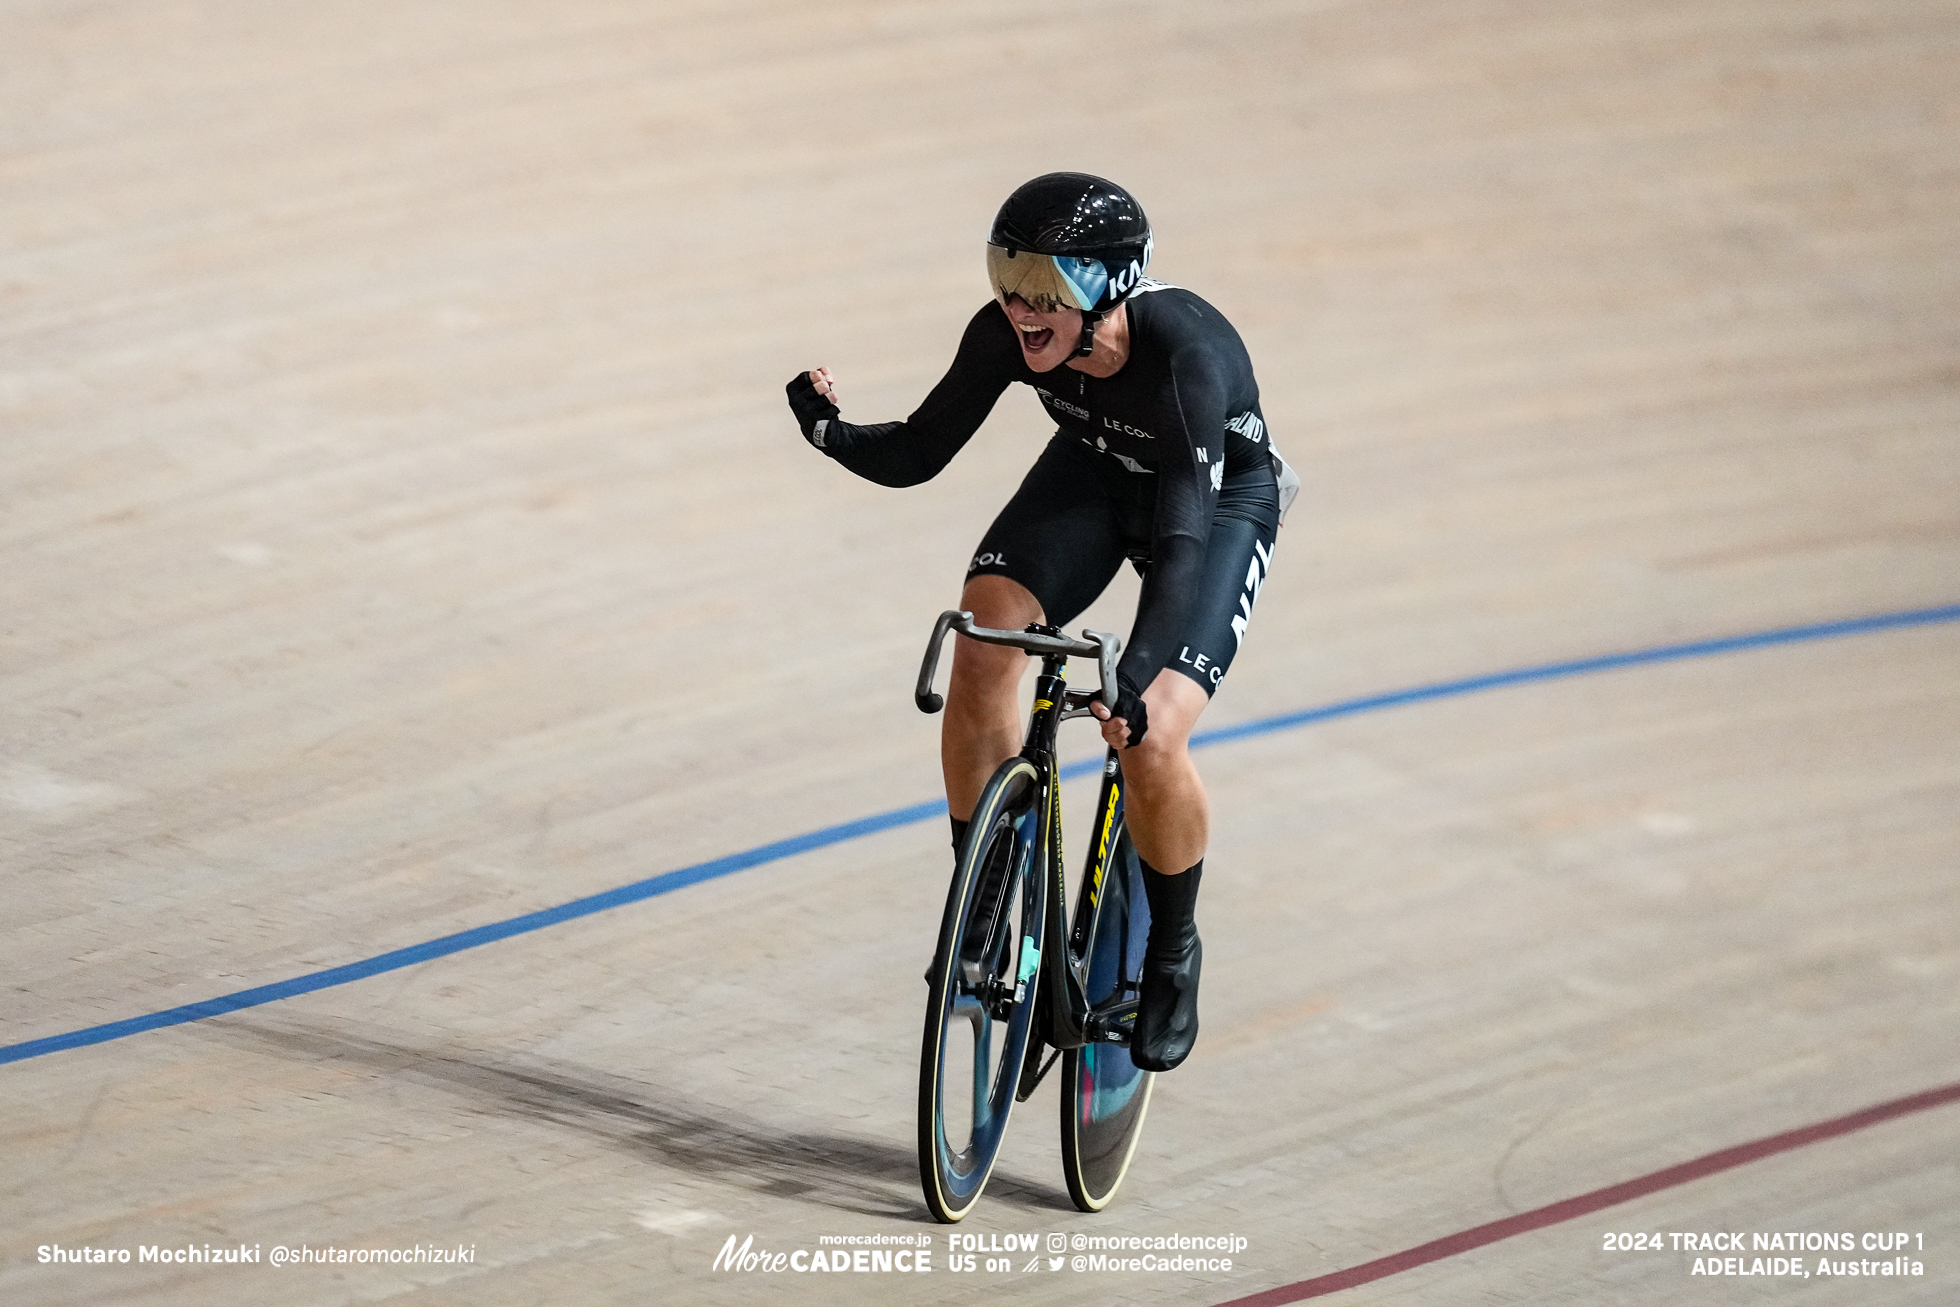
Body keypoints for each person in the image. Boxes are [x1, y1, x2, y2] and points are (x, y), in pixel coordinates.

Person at [785, 172, 1296, 1072]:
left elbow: (1180, 541)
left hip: (1213, 510)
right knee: (985, 638)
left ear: (1109, 283)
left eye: (1045, 286)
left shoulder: (1185, 358)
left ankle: (1173, 953)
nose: (1021, 307)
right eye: (1007, 275)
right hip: (1096, 474)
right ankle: (983, 897)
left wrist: (1135, 680)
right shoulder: (1009, 338)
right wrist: (831, 430)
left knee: (1151, 739)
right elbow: (918, 450)